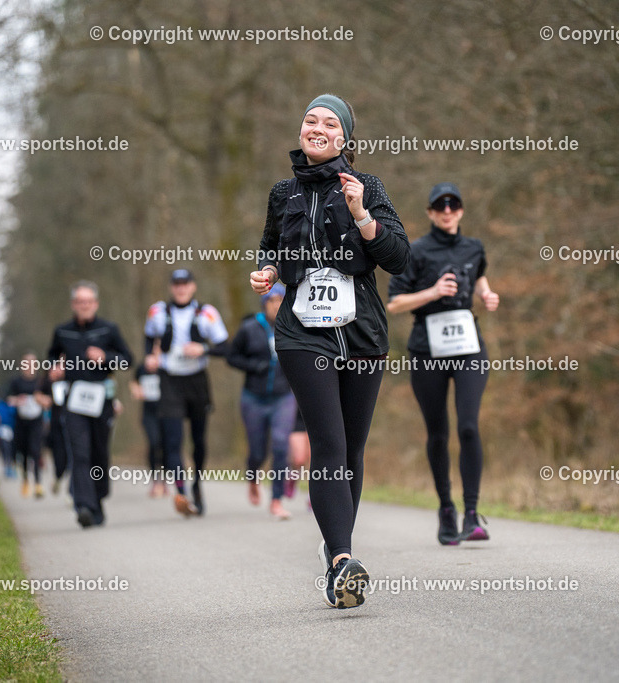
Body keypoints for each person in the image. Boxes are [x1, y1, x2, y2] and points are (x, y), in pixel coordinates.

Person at [250, 94, 410, 608]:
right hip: (302, 332)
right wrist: (268, 270)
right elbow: (271, 243)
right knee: (329, 443)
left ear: (345, 138)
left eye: (329, 123)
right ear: (301, 132)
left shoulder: (368, 188)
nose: (317, 127)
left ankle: (336, 550)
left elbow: (399, 258)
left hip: (361, 330)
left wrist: (363, 215)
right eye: (310, 120)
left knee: (353, 449)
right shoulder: (282, 192)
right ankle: (342, 558)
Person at [387, 182, 500, 544]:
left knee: (468, 426)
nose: (447, 211)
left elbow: (479, 273)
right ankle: (446, 509)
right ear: (430, 212)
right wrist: (434, 292)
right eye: (440, 206)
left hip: (468, 347)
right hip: (427, 350)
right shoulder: (415, 251)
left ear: (461, 210)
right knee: (438, 432)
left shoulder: (474, 247)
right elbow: (394, 303)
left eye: (453, 205)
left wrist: (486, 293)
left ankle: (471, 513)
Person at [46, 280, 133, 528]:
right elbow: (52, 356)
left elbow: (128, 360)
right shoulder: (62, 331)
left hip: (102, 399)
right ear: (74, 304)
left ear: (95, 304)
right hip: (74, 400)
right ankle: (83, 506)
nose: (84, 305)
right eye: (79, 302)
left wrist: (107, 358)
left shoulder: (108, 329)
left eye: (88, 301)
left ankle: (97, 500)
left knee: (99, 453)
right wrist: (54, 367)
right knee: (80, 453)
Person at [144, 269, 229, 517]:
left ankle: (197, 485)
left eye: (185, 284)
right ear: (172, 287)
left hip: (197, 382)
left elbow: (224, 347)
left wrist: (203, 349)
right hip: (169, 381)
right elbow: (149, 338)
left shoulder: (206, 313)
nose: (181, 288)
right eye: (177, 284)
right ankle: (181, 492)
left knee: (198, 441)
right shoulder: (157, 312)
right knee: (172, 440)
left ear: (193, 287)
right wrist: (151, 356)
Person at [226, 283, 296, 520]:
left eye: (280, 301)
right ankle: (253, 475)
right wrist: (254, 366)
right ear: (264, 303)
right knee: (257, 450)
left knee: (280, 445)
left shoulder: (294, 327)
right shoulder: (249, 328)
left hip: (283, 397)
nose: (276, 306)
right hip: (253, 398)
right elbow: (232, 357)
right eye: (272, 301)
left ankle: (276, 500)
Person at [7, 352, 46, 498]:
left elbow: (49, 400)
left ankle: (38, 483)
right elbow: (7, 398)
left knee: (35, 451)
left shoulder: (41, 382)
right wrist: (17, 400)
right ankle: (25, 480)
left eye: (32, 363)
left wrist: (41, 399)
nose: (29, 366)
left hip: (36, 422)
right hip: (21, 423)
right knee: (23, 453)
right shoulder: (16, 382)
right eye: (26, 363)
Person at [129, 355, 165, 497]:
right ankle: (156, 480)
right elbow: (133, 382)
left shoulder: (165, 368)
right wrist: (136, 390)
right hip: (149, 414)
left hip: (166, 413)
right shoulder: (141, 369)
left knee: (166, 446)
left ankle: (165, 481)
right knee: (154, 443)